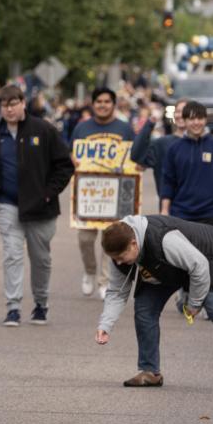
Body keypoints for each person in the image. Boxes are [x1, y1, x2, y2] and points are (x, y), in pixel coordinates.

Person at [95, 215, 213, 394]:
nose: (118, 262)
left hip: (206, 257)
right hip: (165, 267)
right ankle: (150, 372)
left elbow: (199, 266)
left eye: (121, 257)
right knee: (144, 309)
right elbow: (117, 292)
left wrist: (194, 303)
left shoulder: (163, 239)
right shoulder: (119, 251)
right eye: (114, 258)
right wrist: (106, 324)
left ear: (134, 243)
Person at [0, 84, 74, 326]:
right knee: (12, 255)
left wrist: (49, 193)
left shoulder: (44, 130)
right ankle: (13, 307)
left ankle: (41, 303)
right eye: (5, 105)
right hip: (7, 204)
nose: (9, 109)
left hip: (41, 207)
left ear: (23, 104)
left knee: (41, 258)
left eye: (13, 104)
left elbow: (65, 165)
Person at [71, 87, 136, 299]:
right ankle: (90, 271)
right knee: (85, 239)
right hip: (89, 194)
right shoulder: (81, 128)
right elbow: (71, 152)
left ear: (113, 104)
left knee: (113, 239)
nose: (102, 105)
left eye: (107, 102)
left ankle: (105, 280)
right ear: (92, 104)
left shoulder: (125, 129)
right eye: (99, 101)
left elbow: (135, 156)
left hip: (115, 195)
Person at [160, 101, 213, 234]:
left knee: (211, 255)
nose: (196, 123)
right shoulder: (174, 149)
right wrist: (164, 210)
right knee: (182, 255)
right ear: (184, 121)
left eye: (200, 118)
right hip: (181, 214)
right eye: (191, 119)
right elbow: (168, 182)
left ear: (206, 120)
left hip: (212, 214)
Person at [131, 99, 187, 202]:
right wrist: (150, 123)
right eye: (178, 112)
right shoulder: (161, 144)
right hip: (168, 210)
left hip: (196, 212)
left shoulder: (204, 145)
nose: (181, 115)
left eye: (185, 111)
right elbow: (136, 156)